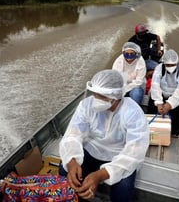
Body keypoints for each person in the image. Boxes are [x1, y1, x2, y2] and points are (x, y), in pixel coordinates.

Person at [59, 69, 150, 202]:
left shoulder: (132, 112)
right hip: (92, 150)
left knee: (123, 190)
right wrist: (72, 162)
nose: (96, 100)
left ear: (117, 96)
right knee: (65, 168)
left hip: (118, 156)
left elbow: (134, 153)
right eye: (95, 94)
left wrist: (100, 175)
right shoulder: (86, 105)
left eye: (102, 97)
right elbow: (73, 135)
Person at [148, 49, 179, 138]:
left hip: (174, 94)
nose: (170, 67)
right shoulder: (159, 68)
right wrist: (159, 103)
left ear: (176, 63)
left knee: (177, 111)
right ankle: (149, 126)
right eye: (167, 65)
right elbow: (155, 85)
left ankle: (175, 131)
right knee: (152, 105)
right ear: (164, 63)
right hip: (161, 92)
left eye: (172, 65)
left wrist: (169, 104)